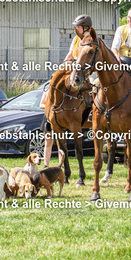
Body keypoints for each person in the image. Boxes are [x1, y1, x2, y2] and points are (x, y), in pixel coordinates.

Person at [40, 15, 94, 166]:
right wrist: (61, 68)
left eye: (78, 27)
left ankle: (92, 113)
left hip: (86, 70)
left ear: (86, 28)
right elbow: (71, 54)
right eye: (76, 26)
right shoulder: (76, 38)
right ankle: (49, 108)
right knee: (53, 82)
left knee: (92, 87)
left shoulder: (90, 39)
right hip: (74, 68)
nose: (76, 29)